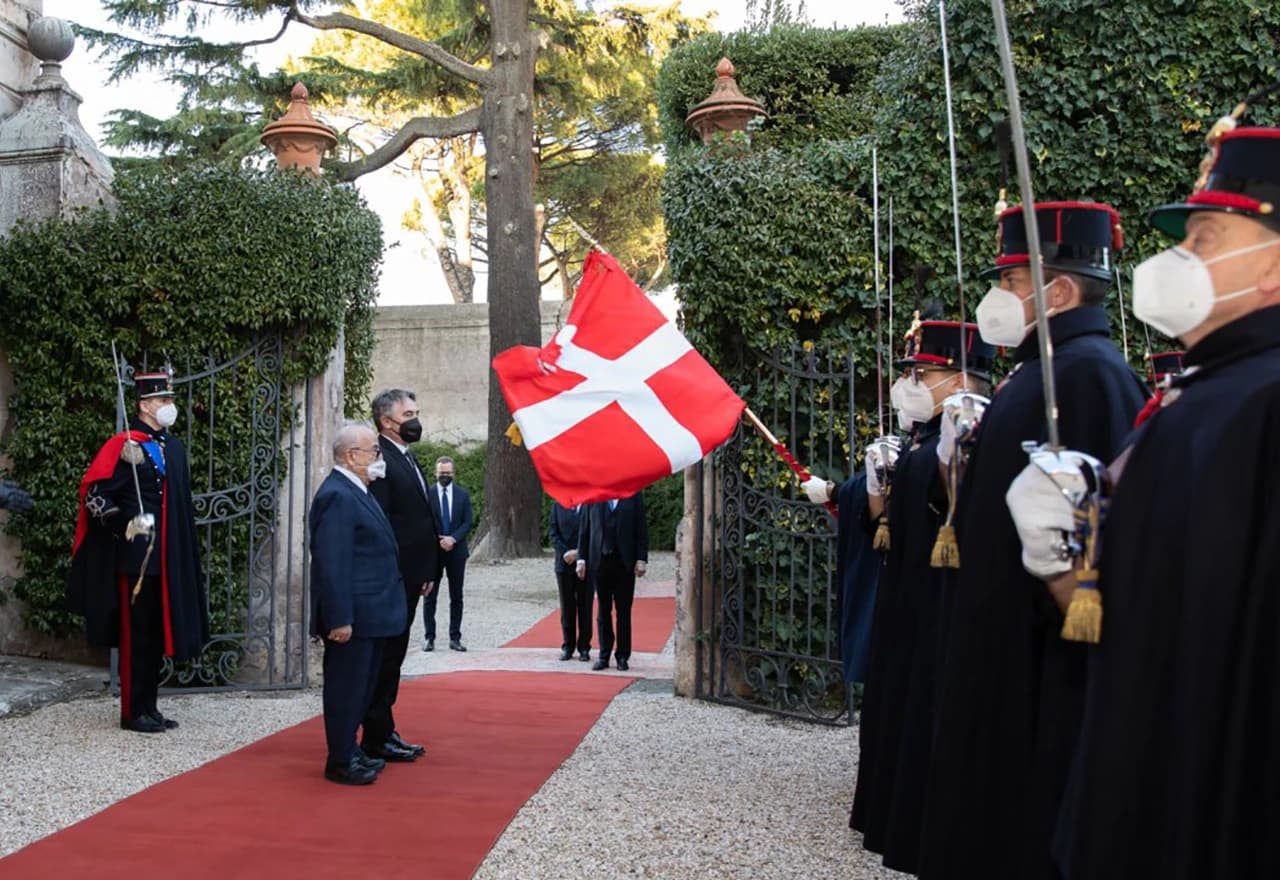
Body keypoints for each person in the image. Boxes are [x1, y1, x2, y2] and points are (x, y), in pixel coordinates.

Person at [1006, 123, 1280, 879]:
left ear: (1273, 266)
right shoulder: (1207, 393)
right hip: (1148, 775)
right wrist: (1064, 557)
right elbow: (1132, 613)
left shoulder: (1264, 399)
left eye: (1205, 238)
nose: (1180, 261)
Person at [918, 202, 1147, 880]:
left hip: (1040, 660)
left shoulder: (1088, 372)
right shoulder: (1038, 369)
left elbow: (1101, 542)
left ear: (1060, 290)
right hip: (1002, 642)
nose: (1001, 296)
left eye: (1014, 282)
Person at [806, 317, 995, 875]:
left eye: (923, 371)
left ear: (959, 374)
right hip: (905, 594)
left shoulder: (964, 428)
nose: (911, 379)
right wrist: (868, 493)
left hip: (936, 600)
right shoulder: (921, 434)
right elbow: (883, 526)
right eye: (910, 370)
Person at [67, 370, 208, 733]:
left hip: (167, 557)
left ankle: (151, 706)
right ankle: (132, 710)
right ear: (145, 404)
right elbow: (95, 496)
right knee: (137, 636)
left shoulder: (171, 449)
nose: (169, 407)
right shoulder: (122, 446)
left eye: (171, 400)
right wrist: (123, 524)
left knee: (157, 636)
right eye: (163, 400)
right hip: (137, 558)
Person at [309, 422, 407, 785]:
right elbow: (332, 563)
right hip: (355, 616)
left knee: (362, 688)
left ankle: (351, 751)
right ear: (352, 456)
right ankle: (340, 759)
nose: (379, 459)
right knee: (346, 688)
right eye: (374, 452)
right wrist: (338, 618)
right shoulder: (337, 494)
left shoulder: (358, 490)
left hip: (374, 614)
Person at [362, 389, 438, 763]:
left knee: (394, 658)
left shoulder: (405, 456)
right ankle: (375, 735)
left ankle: (384, 728)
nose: (415, 419)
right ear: (386, 421)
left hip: (411, 576)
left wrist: (426, 570)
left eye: (416, 412)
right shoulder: (380, 458)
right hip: (393, 579)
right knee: (386, 658)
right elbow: (384, 524)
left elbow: (419, 518)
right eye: (408, 414)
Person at [576, 493, 647, 671]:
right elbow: (584, 528)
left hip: (624, 562)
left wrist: (641, 559)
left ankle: (622, 655)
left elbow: (641, 527)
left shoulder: (634, 494)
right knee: (603, 611)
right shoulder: (593, 494)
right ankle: (604, 654)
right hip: (599, 561)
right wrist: (581, 559)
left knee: (623, 611)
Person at [424, 456, 472, 652]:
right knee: (430, 596)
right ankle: (429, 637)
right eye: (441, 473)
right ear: (436, 473)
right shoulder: (428, 494)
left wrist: (453, 539)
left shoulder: (462, 495)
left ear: (453, 473)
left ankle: (455, 637)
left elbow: (467, 522)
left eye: (448, 473)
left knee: (456, 596)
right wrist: (439, 539)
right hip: (434, 552)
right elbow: (424, 521)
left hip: (456, 550)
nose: (445, 476)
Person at [549, 500, 591, 662]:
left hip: (585, 562)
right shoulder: (558, 505)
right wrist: (566, 552)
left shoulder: (590, 505)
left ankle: (584, 647)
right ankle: (568, 646)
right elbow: (553, 532)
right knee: (567, 607)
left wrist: (579, 553)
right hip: (563, 563)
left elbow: (593, 531)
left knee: (584, 605)